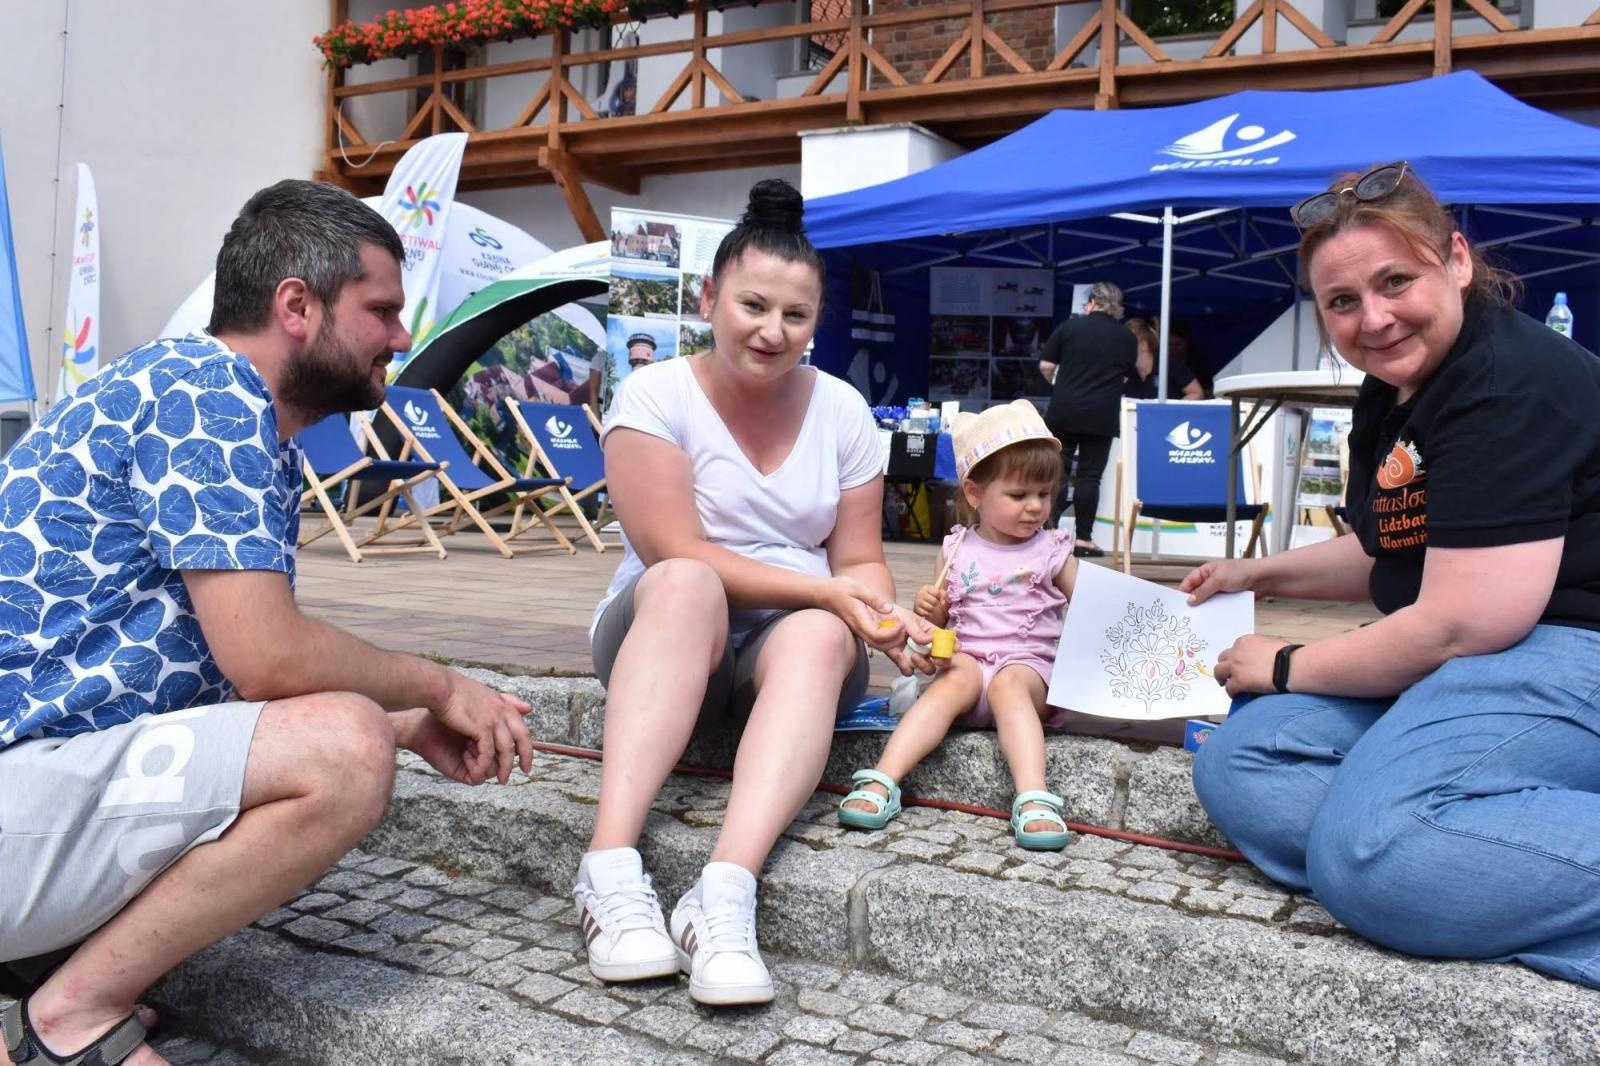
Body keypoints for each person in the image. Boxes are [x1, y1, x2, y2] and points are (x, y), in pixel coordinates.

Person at [0, 179, 533, 1066]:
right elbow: (266, 658)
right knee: (341, 750)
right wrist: (438, 685)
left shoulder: (199, 396)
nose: (401, 339)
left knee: (361, 730)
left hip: (33, 785)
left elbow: (204, 662)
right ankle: (67, 1022)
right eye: (383, 310)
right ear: (296, 304)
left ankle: (51, 967)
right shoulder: (207, 393)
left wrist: (410, 722)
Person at [1184, 161, 1600, 990]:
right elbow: (1391, 551)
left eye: (1394, 281)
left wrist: (1287, 663)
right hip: (1486, 662)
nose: (1372, 318)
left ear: (1457, 259)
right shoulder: (1396, 388)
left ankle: (1406, 860)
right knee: (1243, 760)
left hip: (1566, 648)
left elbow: (1464, 620)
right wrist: (1253, 572)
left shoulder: (1508, 380)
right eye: (1342, 302)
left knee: (1373, 853)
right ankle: (1475, 871)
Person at [576, 178, 932, 1006]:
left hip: (785, 648)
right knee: (692, 580)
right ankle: (609, 867)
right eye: (752, 305)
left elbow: (861, 558)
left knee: (816, 632)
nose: (773, 332)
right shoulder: (652, 396)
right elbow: (672, 548)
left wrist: (874, 610)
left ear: (817, 322)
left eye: (796, 316)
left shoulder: (843, 410)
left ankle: (723, 895)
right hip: (663, 628)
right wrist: (827, 591)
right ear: (709, 297)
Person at [837, 400, 1079, 850]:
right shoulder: (956, 548)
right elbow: (942, 620)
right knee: (952, 681)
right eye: (1019, 495)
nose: (1034, 507)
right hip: (968, 662)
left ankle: (1032, 796)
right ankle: (883, 780)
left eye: (1043, 495)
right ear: (974, 493)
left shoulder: (1052, 550)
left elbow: (1090, 601)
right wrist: (929, 608)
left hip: (1027, 671)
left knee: (1008, 685)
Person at [1038, 281, 1137, 558]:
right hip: (1101, 413)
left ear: (1092, 302)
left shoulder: (1068, 328)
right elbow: (1128, 375)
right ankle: (1083, 539)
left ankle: (1049, 534)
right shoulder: (1127, 338)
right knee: (1090, 476)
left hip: (1064, 408)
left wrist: (1059, 384)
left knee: (1057, 472)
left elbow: (1046, 366)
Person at [1124, 316, 1203, 401]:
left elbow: (1196, 393)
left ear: (1143, 345)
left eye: (1125, 343)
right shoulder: (1125, 371)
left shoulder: (1168, 363)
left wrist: (1172, 411)